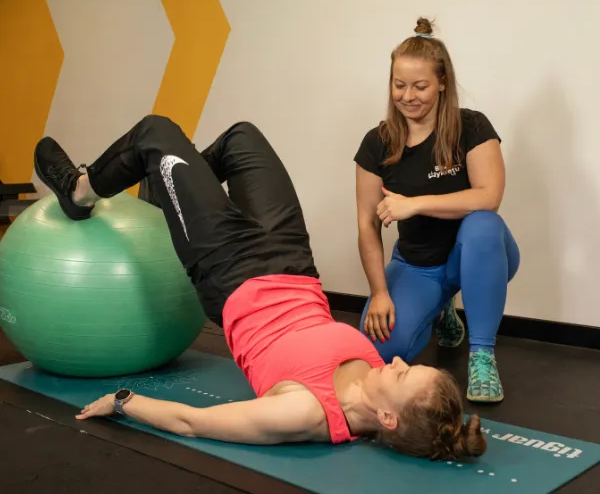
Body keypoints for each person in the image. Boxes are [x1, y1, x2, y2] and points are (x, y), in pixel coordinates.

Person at [33, 116, 486, 459]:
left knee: (156, 132)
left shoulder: (305, 412)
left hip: (228, 269)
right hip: (293, 260)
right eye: (410, 365)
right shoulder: (376, 378)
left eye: (403, 374)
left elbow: (193, 422)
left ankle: (79, 191)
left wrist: (123, 402)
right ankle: (167, 193)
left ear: (387, 418)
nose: (399, 361)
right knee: (241, 138)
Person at [354, 18, 520, 403]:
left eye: (420, 86)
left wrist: (415, 204)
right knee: (379, 349)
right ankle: (442, 307)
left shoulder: (472, 126)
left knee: (482, 224)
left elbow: (489, 197)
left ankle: (482, 354)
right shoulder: (377, 143)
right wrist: (379, 292)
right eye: (399, 85)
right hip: (419, 266)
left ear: (442, 82)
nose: (408, 96)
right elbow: (366, 224)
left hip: (478, 255)